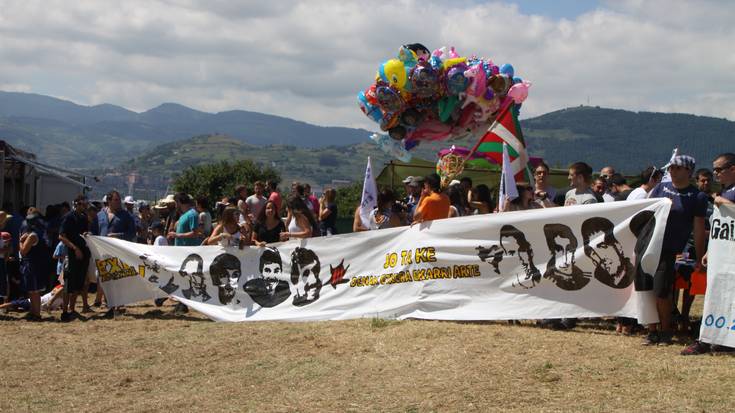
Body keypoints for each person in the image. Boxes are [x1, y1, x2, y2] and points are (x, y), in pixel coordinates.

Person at [644, 155, 707, 346]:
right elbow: (646, 212)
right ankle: (651, 329)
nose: (672, 171)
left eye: (678, 168)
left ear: (689, 171)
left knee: (662, 291)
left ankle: (665, 330)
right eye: (671, 168)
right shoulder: (660, 188)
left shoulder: (697, 196)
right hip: (649, 244)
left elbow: (698, 228)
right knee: (646, 289)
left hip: (670, 248)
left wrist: (699, 254)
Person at [682, 153, 735, 355]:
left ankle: (721, 340)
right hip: (722, 253)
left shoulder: (727, 194)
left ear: (733, 169)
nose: (715, 174)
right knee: (715, 294)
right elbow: (721, 224)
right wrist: (711, 248)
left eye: (719, 169)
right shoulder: (725, 190)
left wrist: (726, 204)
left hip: (731, 256)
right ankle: (710, 337)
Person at [58, 195, 91, 321]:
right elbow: (61, 236)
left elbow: (83, 232)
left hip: (82, 254)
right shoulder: (68, 217)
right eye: (83, 204)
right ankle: (65, 312)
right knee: (68, 284)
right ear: (76, 204)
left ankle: (72, 309)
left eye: (85, 205)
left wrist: (86, 234)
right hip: (71, 255)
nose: (85, 207)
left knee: (79, 283)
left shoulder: (83, 218)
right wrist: (74, 248)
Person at [19, 208, 50, 321]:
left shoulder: (32, 235)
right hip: (36, 263)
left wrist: (20, 240)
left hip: (33, 264)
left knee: (34, 290)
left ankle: (36, 313)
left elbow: (23, 251)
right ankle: (33, 311)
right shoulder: (40, 231)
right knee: (32, 290)